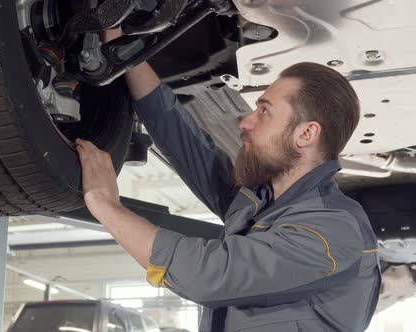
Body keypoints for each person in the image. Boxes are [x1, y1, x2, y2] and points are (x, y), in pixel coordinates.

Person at [74, 30, 381, 332]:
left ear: (306, 134)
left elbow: (209, 276)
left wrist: (106, 205)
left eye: (264, 111)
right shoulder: (262, 201)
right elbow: (189, 147)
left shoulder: (333, 232)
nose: (245, 122)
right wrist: (124, 51)